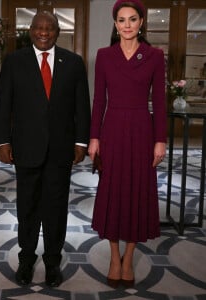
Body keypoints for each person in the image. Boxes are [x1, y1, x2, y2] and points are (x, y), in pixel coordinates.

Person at [0, 11, 91, 287]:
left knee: (56, 209)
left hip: (61, 150)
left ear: (58, 31)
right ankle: (26, 260)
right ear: (31, 30)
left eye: (50, 28)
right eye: (39, 27)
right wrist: (2, 141)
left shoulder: (73, 63)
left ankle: (52, 262)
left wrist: (81, 142)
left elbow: (82, 107)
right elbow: (3, 104)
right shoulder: (14, 61)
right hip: (25, 148)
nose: (44, 32)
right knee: (27, 206)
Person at [88, 0, 166, 289]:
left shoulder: (155, 56)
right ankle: (114, 255)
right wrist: (94, 137)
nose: (127, 25)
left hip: (142, 130)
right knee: (112, 191)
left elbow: (159, 101)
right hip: (113, 130)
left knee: (137, 191)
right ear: (115, 24)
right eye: (121, 20)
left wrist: (160, 140)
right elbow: (99, 100)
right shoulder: (105, 56)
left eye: (133, 19)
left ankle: (129, 256)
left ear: (142, 22)